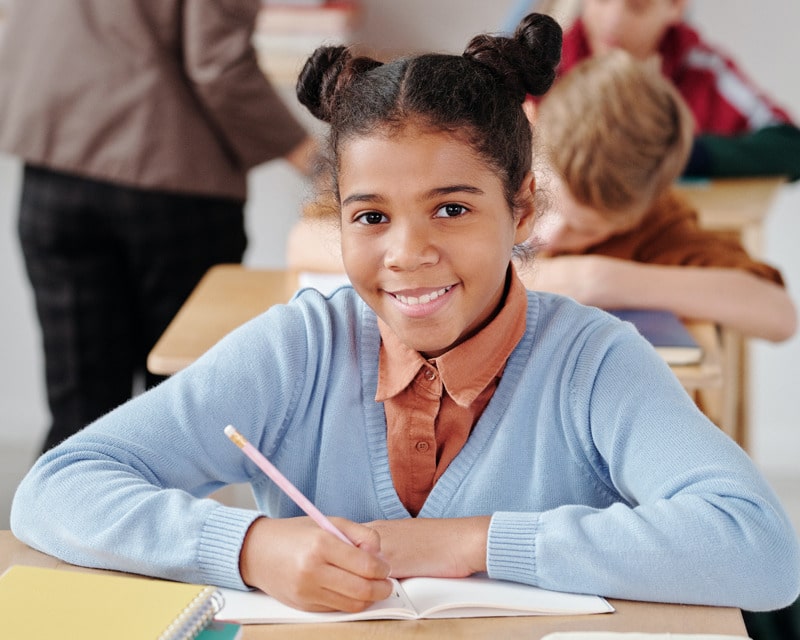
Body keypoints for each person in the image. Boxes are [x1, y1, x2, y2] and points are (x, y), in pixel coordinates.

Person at [11, 13, 800, 615]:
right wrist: (249, 545)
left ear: (522, 210)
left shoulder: (593, 360)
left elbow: (759, 549)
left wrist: (463, 542)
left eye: (452, 209)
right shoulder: (300, 350)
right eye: (370, 217)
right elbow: (54, 489)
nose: (407, 254)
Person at [0, 0, 317, 453]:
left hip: (54, 168)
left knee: (79, 415)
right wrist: (323, 165)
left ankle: (60, 519)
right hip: (171, 180)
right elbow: (219, 66)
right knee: (174, 421)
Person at [517, 50, 797, 343]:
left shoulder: (655, 224)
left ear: (636, 214)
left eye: (585, 229)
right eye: (544, 204)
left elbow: (779, 316)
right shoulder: (500, 172)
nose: (551, 236)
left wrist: (600, 279)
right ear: (530, 126)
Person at [559, 0, 800, 180]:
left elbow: (791, 147)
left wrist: (684, 155)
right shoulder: (547, 64)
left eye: (638, 7)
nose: (612, 22)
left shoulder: (702, 69)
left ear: (676, 5)